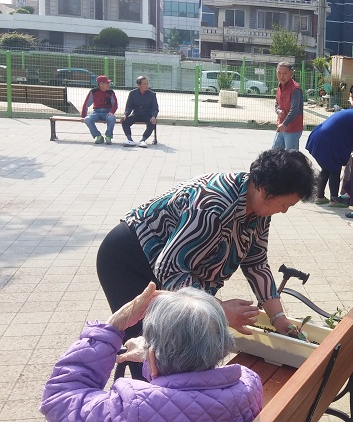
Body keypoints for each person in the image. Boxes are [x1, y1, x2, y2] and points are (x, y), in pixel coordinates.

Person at [96, 149, 316, 380]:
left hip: (167, 265)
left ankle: (173, 396)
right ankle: (146, 398)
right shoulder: (212, 206)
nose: (284, 211)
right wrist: (219, 310)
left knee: (180, 345)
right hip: (130, 260)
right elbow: (171, 268)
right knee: (153, 348)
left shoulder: (260, 208)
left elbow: (256, 262)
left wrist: (279, 318)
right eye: (285, 204)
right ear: (265, 191)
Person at [40, 283, 263, 422]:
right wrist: (151, 356)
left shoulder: (130, 408)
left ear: (153, 359)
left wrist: (113, 326)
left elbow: (60, 400)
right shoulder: (248, 386)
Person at [305, 97, 353, 205]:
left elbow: (348, 131)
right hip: (326, 142)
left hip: (317, 138)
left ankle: (319, 197)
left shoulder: (351, 112)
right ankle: (334, 200)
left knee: (326, 169)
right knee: (334, 169)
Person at [273, 62, 304, 150]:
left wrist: (285, 124)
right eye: (279, 73)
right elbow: (277, 103)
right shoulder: (280, 86)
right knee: (275, 153)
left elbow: (294, 110)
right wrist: (278, 110)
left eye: (285, 73)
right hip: (281, 126)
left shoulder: (295, 89)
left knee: (290, 155)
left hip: (292, 129)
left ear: (291, 73)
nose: (281, 76)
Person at [121, 75, 159, 148]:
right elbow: (129, 107)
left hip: (147, 115)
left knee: (152, 122)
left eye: (147, 83)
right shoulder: (132, 93)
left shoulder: (152, 94)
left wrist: (153, 116)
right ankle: (129, 139)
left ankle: (143, 140)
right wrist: (125, 114)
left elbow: (155, 108)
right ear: (139, 85)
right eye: (144, 84)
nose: (147, 85)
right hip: (136, 114)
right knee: (124, 121)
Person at [80, 75, 117, 145]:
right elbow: (86, 104)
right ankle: (98, 136)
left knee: (112, 118)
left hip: (107, 112)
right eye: (107, 83)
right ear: (101, 84)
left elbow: (115, 104)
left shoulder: (111, 92)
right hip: (96, 112)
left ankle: (108, 136)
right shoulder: (93, 92)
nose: (109, 85)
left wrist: (112, 112)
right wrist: (83, 116)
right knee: (87, 119)